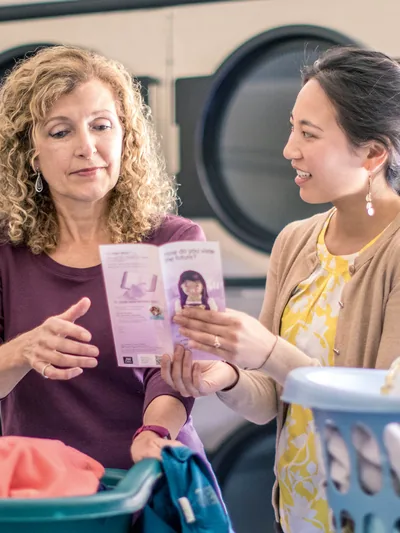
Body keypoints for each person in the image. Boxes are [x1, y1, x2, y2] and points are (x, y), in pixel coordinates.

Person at [161, 46, 400, 533]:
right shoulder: (295, 242)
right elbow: (271, 398)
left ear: (374, 153)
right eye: (293, 127)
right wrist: (224, 378)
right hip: (298, 513)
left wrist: (267, 349)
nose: (289, 148)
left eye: (308, 134)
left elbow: (381, 414)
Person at [0, 44, 208, 471]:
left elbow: (180, 369)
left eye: (101, 126)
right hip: (44, 490)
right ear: (30, 153)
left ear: (125, 136)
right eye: (61, 132)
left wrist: (154, 432)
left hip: (151, 476)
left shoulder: (175, 239)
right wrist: (24, 350)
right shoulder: (5, 251)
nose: (87, 147)